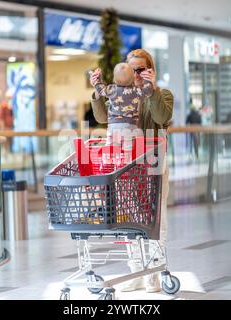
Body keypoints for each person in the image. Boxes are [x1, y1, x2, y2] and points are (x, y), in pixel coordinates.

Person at [89, 49, 173, 293]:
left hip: (153, 164)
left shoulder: (161, 94)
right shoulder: (121, 93)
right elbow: (103, 117)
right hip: (126, 167)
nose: (135, 74)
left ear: (150, 70)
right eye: (131, 69)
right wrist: (97, 91)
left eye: (140, 69)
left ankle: (155, 272)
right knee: (128, 218)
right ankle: (136, 270)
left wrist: (152, 88)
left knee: (157, 220)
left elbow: (161, 116)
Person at [91, 62, 153, 149]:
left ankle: (109, 159)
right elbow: (149, 91)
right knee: (129, 149)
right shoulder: (136, 91)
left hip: (114, 126)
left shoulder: (111, 90)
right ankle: (128, 160)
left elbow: (101, 89)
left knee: (112, 147)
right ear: (133, 78)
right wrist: (147, 79)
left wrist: (97, 80)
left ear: (114, 79)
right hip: (130, 125)